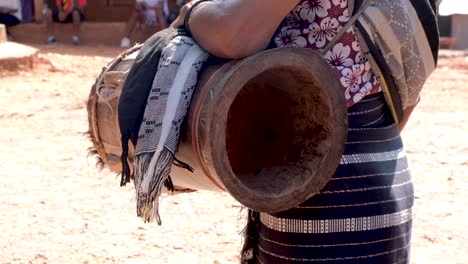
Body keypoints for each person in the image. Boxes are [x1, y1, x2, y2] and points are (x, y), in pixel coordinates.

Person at [174, 0, 440, 263]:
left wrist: (192, 13)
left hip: (313, 177)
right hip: (384, 167)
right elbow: (407, 98)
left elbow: (233, 33)